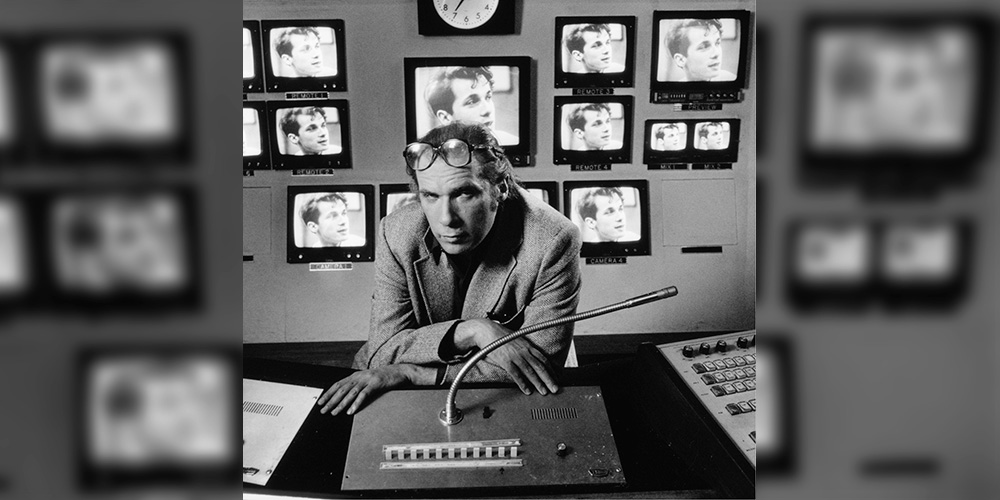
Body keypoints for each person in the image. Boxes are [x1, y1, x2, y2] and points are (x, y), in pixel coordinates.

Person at [317, 122, 582, 416]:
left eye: (464, 194)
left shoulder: (553, 240)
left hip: (508, 395)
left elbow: (538, 366)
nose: (446, 219)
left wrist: (414, 374)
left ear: (500, 189)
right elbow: (382, 353)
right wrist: (473, 332)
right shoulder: (396, 232)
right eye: (430, 196)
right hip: (387, 382)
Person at [424, 66, 519, 146]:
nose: (487, 110)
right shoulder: (434, 157)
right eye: (471, 102)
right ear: (445, 117)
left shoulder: (511, 141)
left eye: (488, 97)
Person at [664, 19, 736, 82]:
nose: (716, 53)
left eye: (717, 43)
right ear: (680, 60)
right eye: (704, 47)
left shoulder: (730, 79)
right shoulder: (674, 90)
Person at [299, 193, 365, 247]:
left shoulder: (360, 244)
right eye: (333, 216)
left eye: (344, 213)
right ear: (313, 227)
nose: (343, 221)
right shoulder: (314, 249)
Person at [575, 187, 640, 243]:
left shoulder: (635, 239)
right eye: (610, 212)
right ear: (591, 222)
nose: (620, 218)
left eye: (620, 209)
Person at [273, 27, 337, 77]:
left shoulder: (333, 74)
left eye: (317, 46)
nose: (317, 54)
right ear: (287, 59)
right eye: (306, 49)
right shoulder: (285, 85)